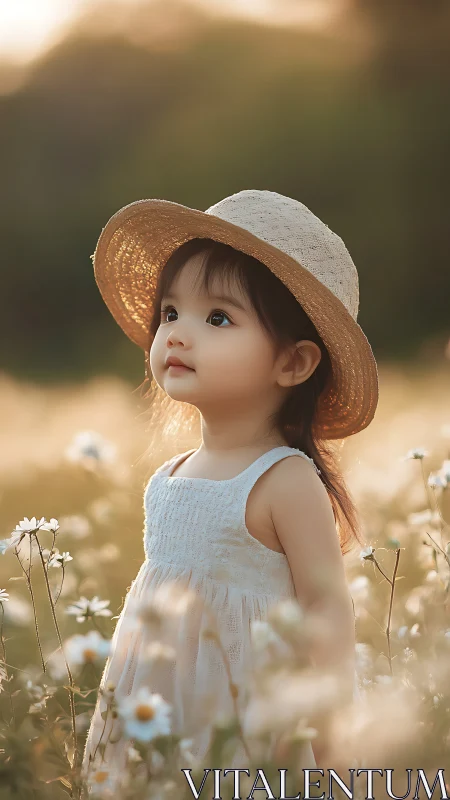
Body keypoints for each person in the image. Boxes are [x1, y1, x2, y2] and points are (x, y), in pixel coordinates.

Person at [81, 189, 378, 789]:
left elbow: (326, 610)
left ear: (293, 364)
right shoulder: (172, 475)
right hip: (161, 718)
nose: (178, 335)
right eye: (169, 313)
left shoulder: (282, 478)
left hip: (242, 729)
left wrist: (331, 744)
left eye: (217, 318)